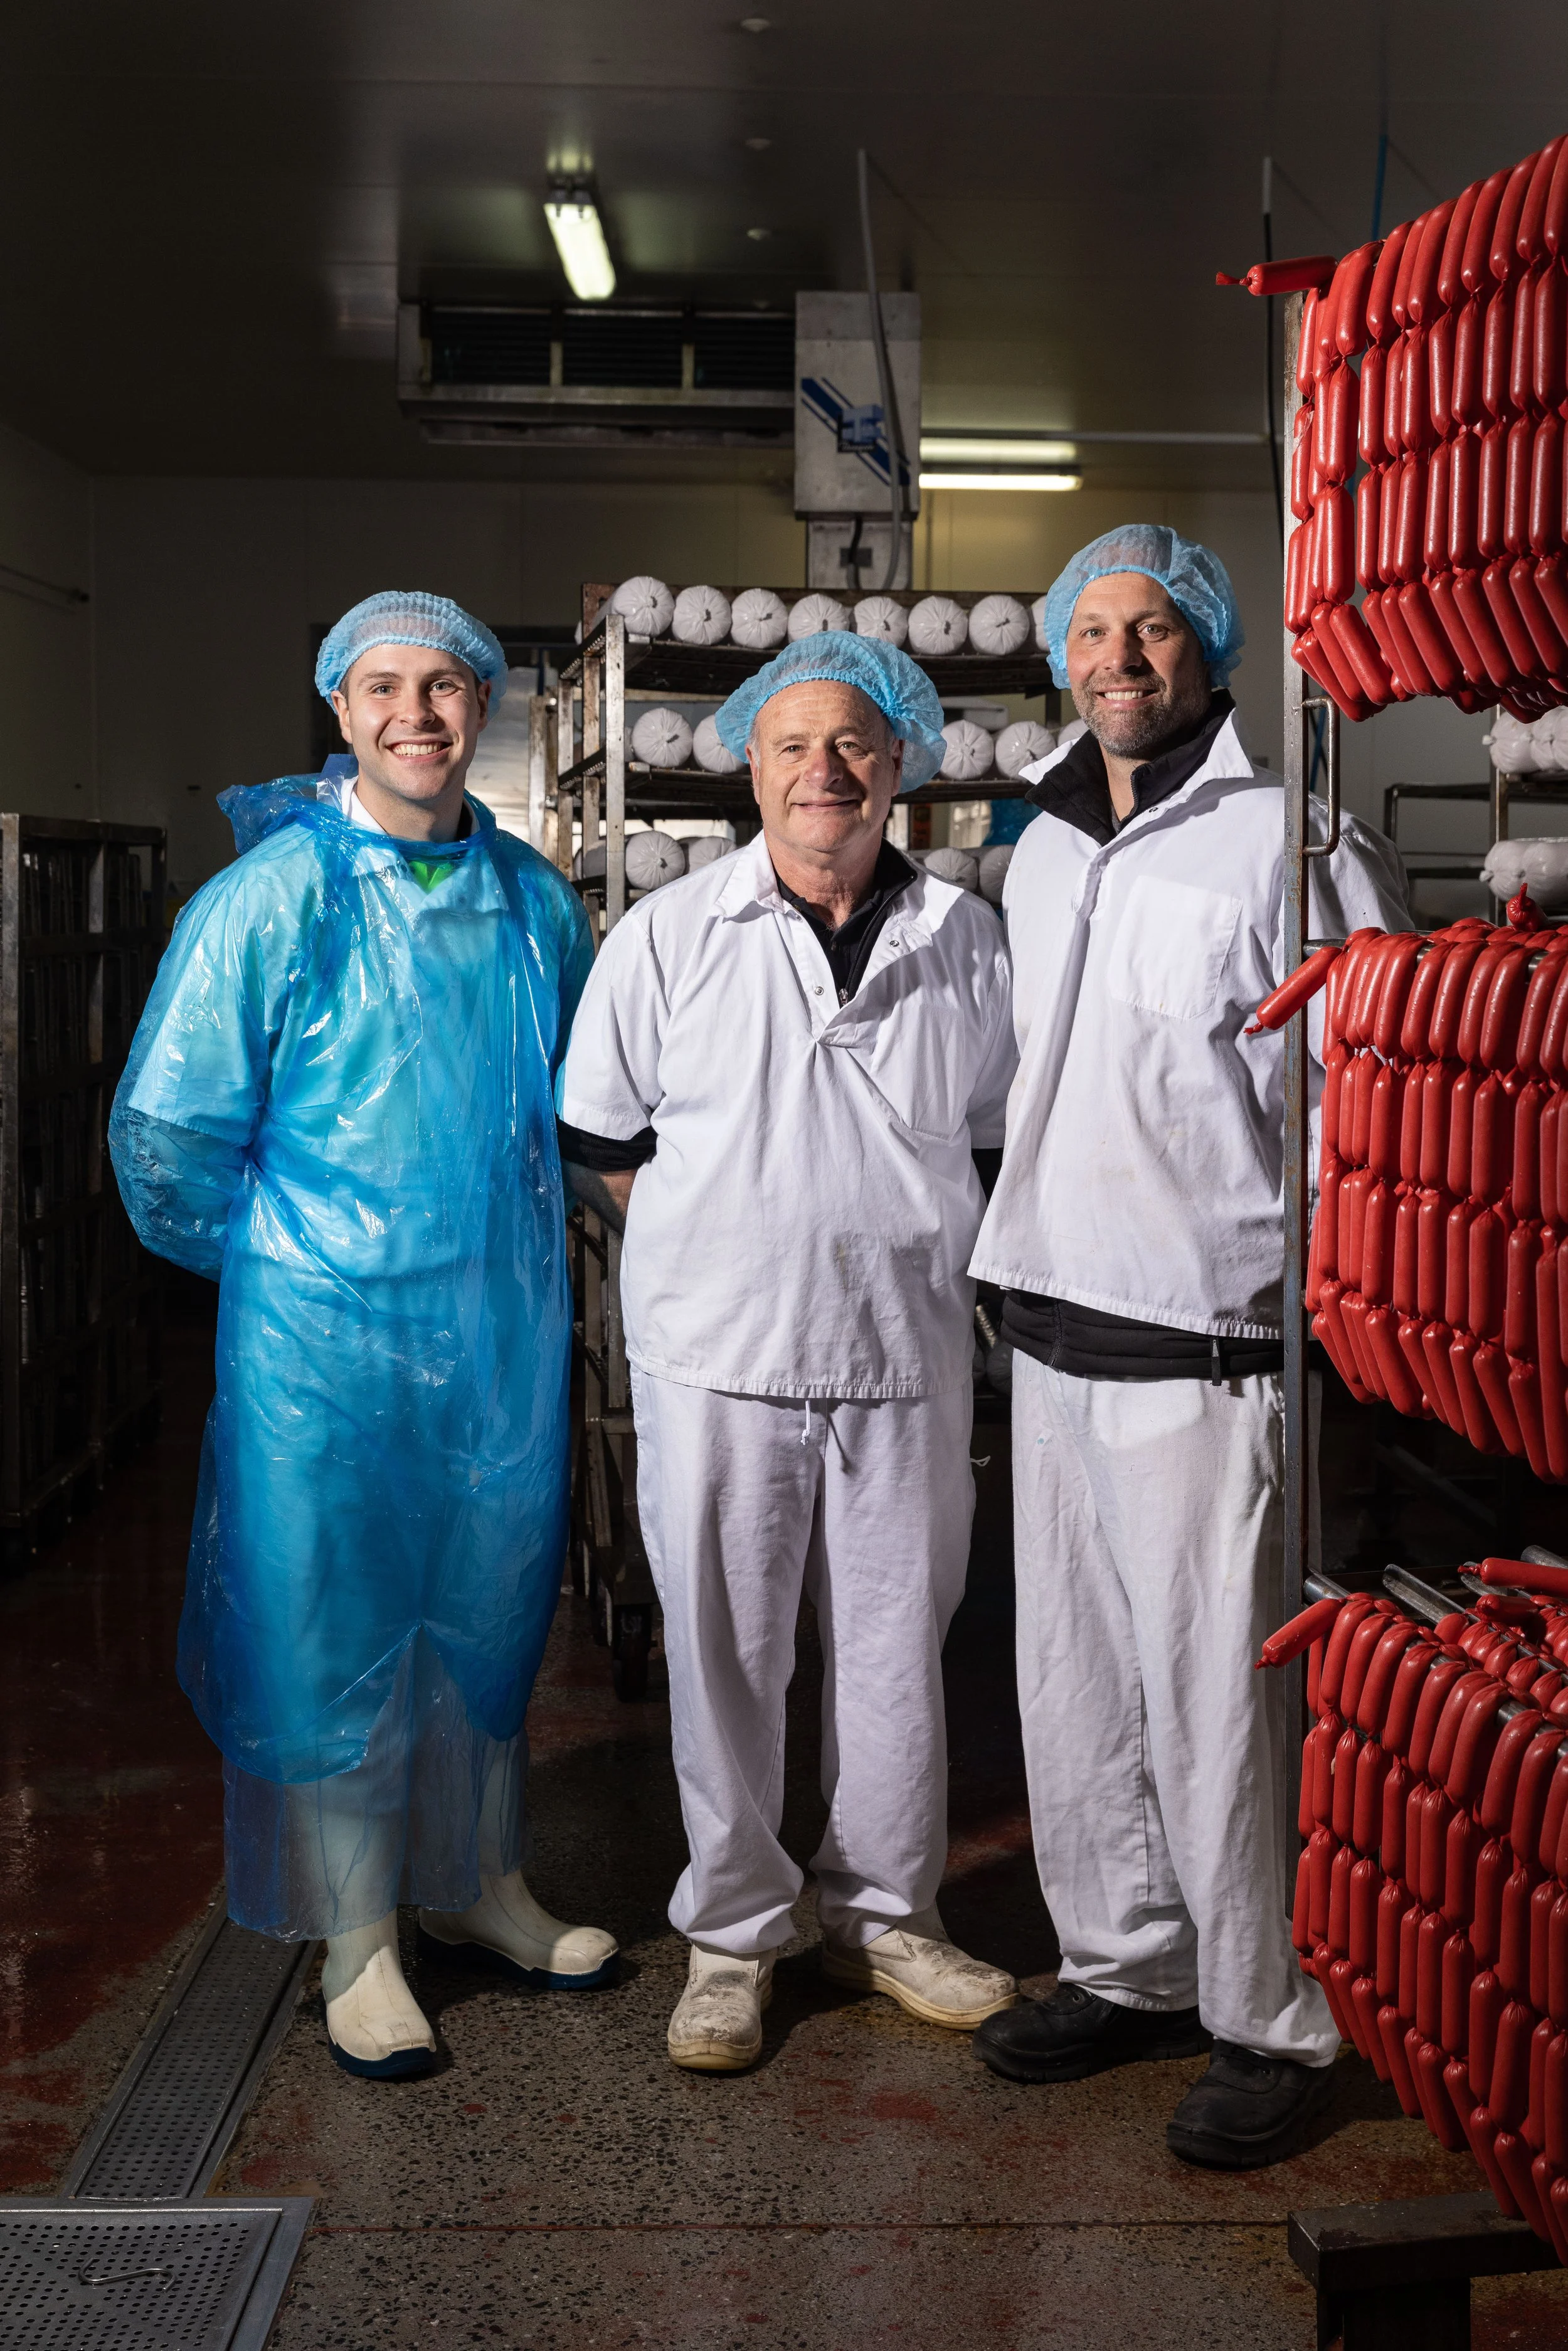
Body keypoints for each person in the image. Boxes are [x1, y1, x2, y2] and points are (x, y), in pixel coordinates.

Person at [110, 592, 617, 2079]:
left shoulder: (535, 901)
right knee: (333, 1621)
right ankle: (358, 1936)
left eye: (447, 683)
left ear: (483, 709)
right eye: (385, 685)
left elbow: (583, 1113)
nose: (417, 710)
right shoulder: (276, 894)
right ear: (340, 709)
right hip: (317, 1345)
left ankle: (479, 1886)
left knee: (489, 1602)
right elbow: (166, 1130)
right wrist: (283, 1272)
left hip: (501, 1335)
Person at [968, 528, 1410, 2167]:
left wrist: (1341, 1330)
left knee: (1221, 1707)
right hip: (1053, 1327)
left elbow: (1361, 1108)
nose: (1118, 658)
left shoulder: (1287, 846)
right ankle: (1126, 1959)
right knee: (1072, 1689)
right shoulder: (1041, 845)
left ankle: (1267, 2014)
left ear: (1207, 648)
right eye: (1089, 629)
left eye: (1149, 628)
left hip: (1209, 1348)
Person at [557, 632, 1020, 2072]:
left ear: (903, 765)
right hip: (718, 1356)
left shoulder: (969, 936)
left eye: (855, 744)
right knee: (725, 1650)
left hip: (905, 1352)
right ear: (747, 766)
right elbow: (598, 1136)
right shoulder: (669, 933)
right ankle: (733, 1933)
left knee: (895, 1654)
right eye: (792, 745)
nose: (824, 770)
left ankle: (884, 1912)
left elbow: (1000, 1136)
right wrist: (734, 1234)